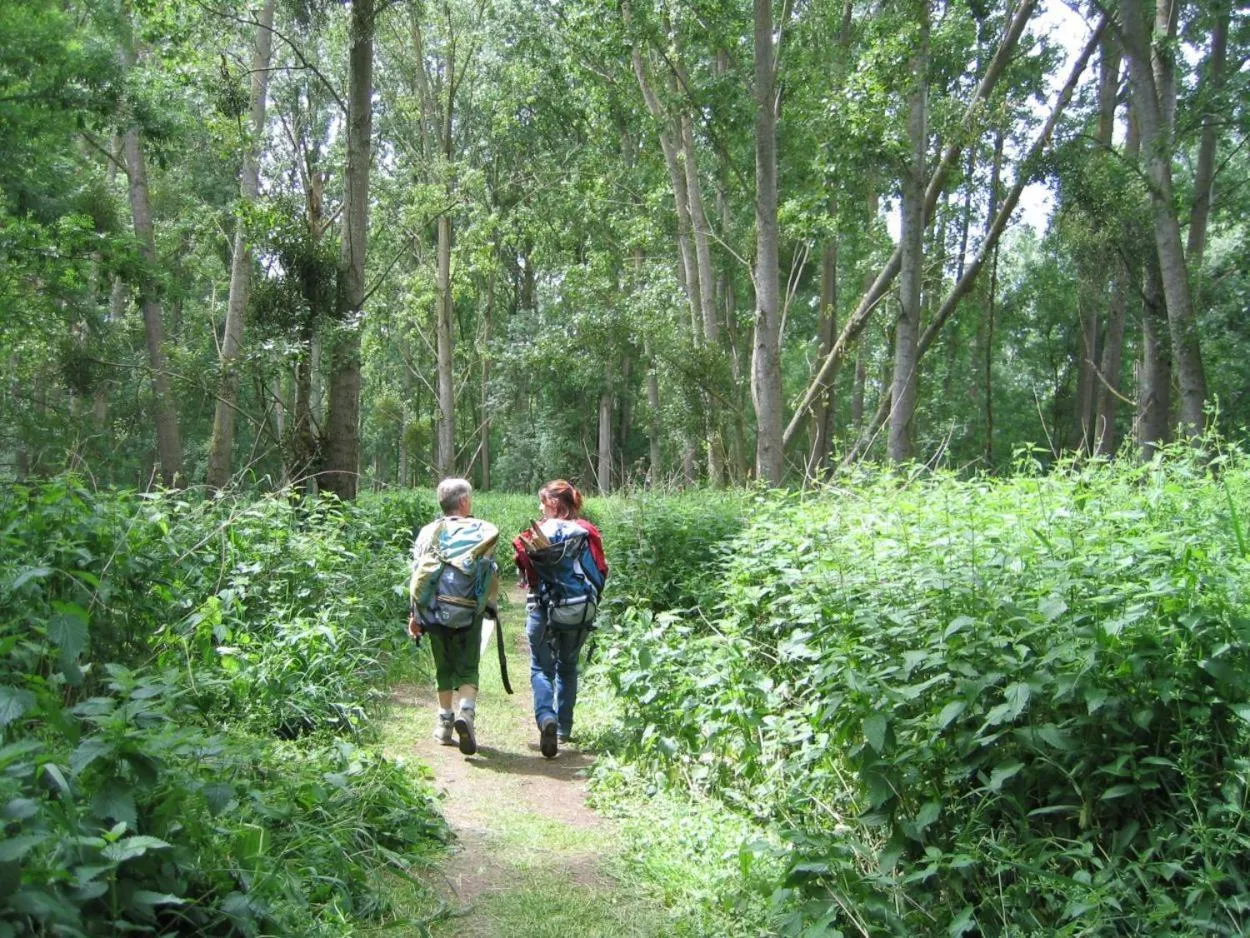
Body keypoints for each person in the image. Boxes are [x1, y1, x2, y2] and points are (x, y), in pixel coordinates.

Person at [513, 480, 608, 759]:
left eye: (543, 502)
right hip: (579, 608)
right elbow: (601, 569)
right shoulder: (587, 531)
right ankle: (564, 727)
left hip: (543, 608)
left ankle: (546, 718)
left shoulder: (534, 534)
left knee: (541, 667)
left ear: (554, 504)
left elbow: (527, 573)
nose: (540, 507)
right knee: (567, 666)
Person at [409, 478, 499, 756]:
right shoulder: (482, 530)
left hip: (433, 612)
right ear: (462, 502)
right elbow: (489, 571)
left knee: (443, 666)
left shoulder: (429, 531)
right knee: (468, 666)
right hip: (469, 611)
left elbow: (417, 575)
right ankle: (467, 713)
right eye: (469, 498)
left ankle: (445, 723)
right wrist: (490, 606)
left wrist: (415, 615)